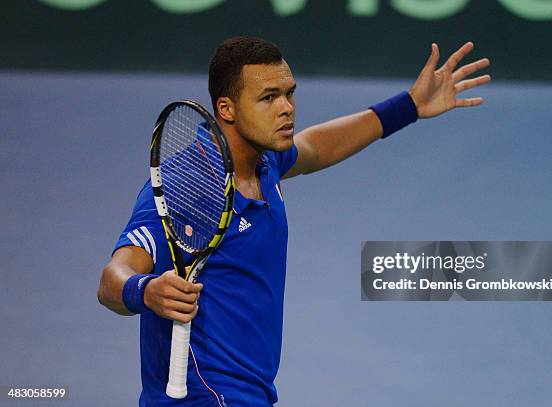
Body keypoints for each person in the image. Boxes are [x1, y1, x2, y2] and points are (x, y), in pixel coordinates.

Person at [97, 36, 490, 406]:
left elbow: (315, 147)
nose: (286, 108)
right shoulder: (186, 186)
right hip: (208, 396)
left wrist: (409, 107)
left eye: (289, 93)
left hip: (251, 391)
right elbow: (113, 278)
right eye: (268, 98)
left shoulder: (264, 159)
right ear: (226, 108)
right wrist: (146, 291)